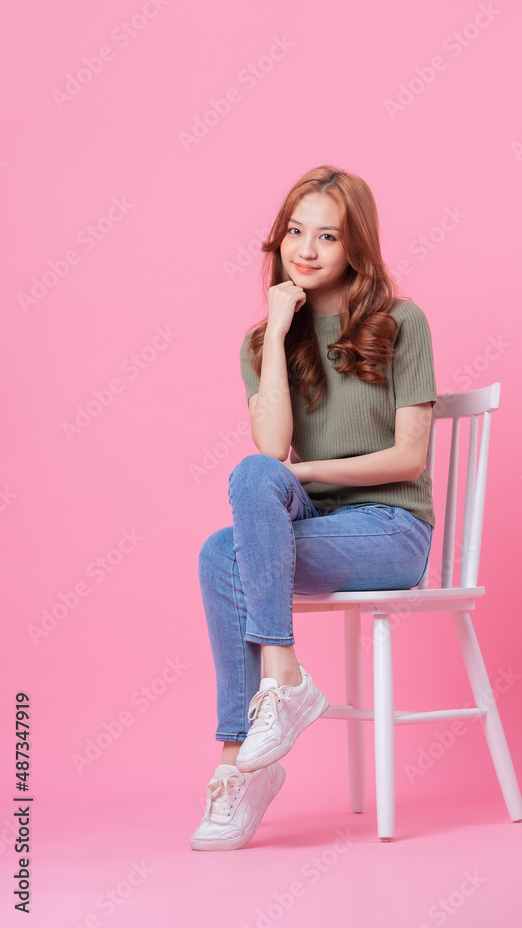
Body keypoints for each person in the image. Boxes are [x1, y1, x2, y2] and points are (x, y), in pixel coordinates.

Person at [191, 165, 438, 850]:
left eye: (327, 236)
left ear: (356, 245)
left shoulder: (401, 322)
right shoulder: (261, 343)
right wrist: (276, 332)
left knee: (236, 533)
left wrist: (306, 472)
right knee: (225, 533)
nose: (305, 249)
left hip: (391, 530)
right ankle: (244, 757)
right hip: (318, 527)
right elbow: (271, 449)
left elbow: (409, 457)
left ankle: (276, 696)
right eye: (295, 232)